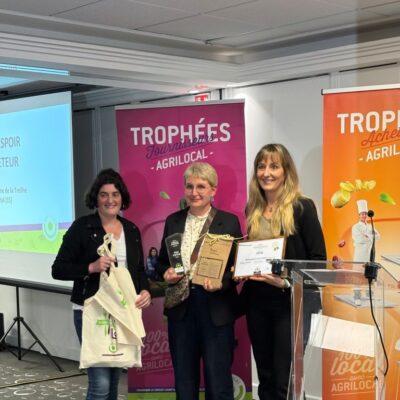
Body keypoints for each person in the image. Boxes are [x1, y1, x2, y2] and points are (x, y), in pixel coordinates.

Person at [52, 168, 151, 400]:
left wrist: (145, 290)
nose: (110, 200)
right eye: (104, 194)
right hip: (91, 310)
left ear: (122, 198)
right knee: (100, 384)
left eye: (115, 194)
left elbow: (138, 271)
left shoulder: (131, 230)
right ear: (95, 198)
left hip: (122, 312)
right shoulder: (82, 227)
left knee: (114, 381)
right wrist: (91, 267)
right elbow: (58, 269)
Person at [240, 143, 326, 400]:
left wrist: (286, 281)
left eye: (274, 166)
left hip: (291, 303)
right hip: (257, 302)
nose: (266, 173)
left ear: (286, 171)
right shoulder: (253, 209)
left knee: (285, 380)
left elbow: (318, 262)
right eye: (261, 166)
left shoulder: (303, 207)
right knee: (265, 377)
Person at [156, 162, 242, 400]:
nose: (194, 192)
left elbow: (237, 267)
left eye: (201, 187)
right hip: (181, 308)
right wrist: (166, 273)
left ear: (213, 190)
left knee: (218, 380)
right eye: (190, 186)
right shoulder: (173, 221)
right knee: (184, 380)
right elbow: (162, 262)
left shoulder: (229, 221)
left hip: (216, 307)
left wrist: (222, 283)